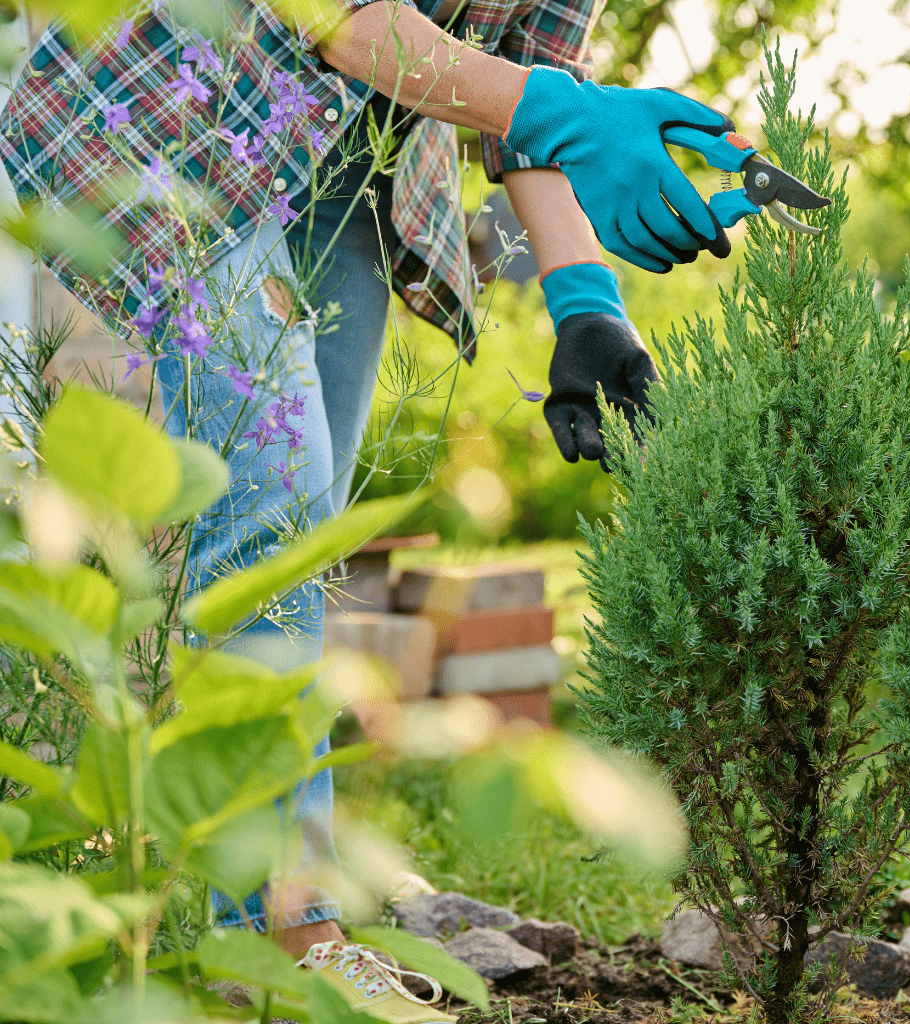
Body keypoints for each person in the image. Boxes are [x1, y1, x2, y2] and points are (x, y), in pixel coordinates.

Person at [0, 1, 735, 1020]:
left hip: (355, 157)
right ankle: (286, 937)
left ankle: (240, 906)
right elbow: (335, 16)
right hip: (190, 111)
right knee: (276, 509)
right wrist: (554, 107)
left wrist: (585, 301)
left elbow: (526, 82)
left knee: (291, 551)